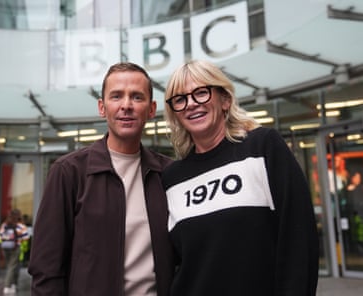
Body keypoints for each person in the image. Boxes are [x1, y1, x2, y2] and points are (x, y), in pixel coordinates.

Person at [161, 60, 319, 295]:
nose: (191, 104)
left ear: (225, 100)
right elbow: (173, 260)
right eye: (180, 99)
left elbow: (298, 237)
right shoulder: (172, 177)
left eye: (201, 93)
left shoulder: (263, 147)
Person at [28, 62, 174, 295]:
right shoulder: (69, 172)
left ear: (151, 109)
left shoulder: (168, 174)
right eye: (116, 96)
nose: (126, 105)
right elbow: (46, 269)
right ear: (102, 107)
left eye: (137, 97)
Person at [0, 208, 30, 294]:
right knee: (12, 267)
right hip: (16, 248)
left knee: (11, 266)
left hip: (5, 248)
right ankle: (7, 286)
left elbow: (0, 236)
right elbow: (26, 237)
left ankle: (13, 284)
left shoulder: (5, 225)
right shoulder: (21, 226)